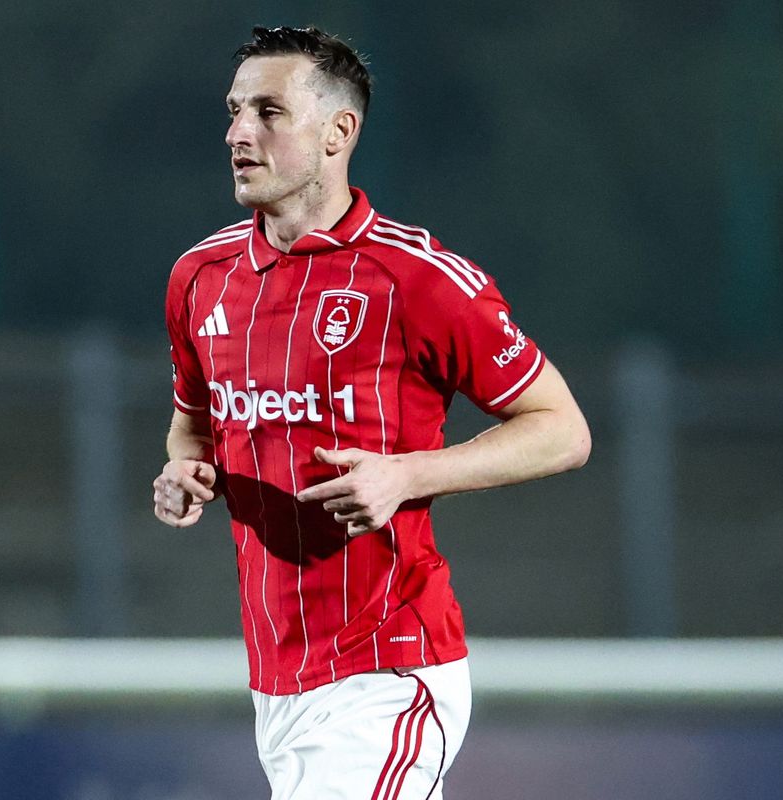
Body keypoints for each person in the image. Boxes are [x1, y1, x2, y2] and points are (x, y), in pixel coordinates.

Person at [153, 25, 591, 800]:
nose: (236, 133)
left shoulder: (417, 280)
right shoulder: (200, 278)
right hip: (278, 682)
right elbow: (193, 424)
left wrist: (410, 474)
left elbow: (563, 428)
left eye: (268, 112)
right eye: (232, 111)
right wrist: (183, 472)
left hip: (388, 668)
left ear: (338, 131)